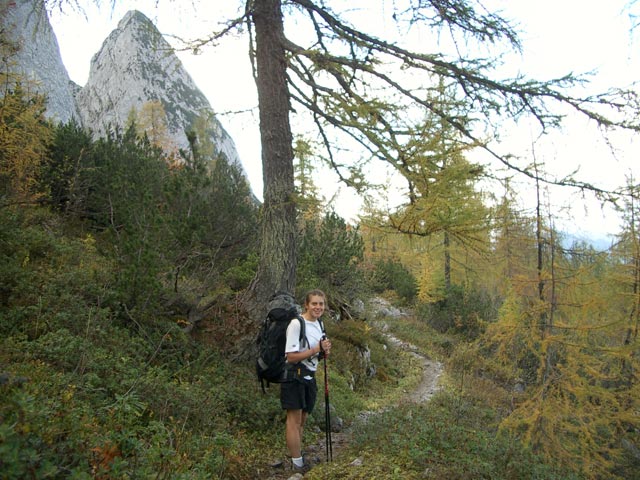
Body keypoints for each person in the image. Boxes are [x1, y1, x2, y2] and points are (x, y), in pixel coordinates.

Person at [281, 289, 332, 471]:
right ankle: (296, 463)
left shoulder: (320, 324)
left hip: (310, 375)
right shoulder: (297, 324)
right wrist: (316, 348)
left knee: (302, 420)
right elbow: (291, 357)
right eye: (314, 304)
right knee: (293, 421)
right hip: (294, 376)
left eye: (321, 304)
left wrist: (323, 352)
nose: (318, 307)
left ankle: (298, 457)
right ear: (306, 305)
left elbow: (315, 353)